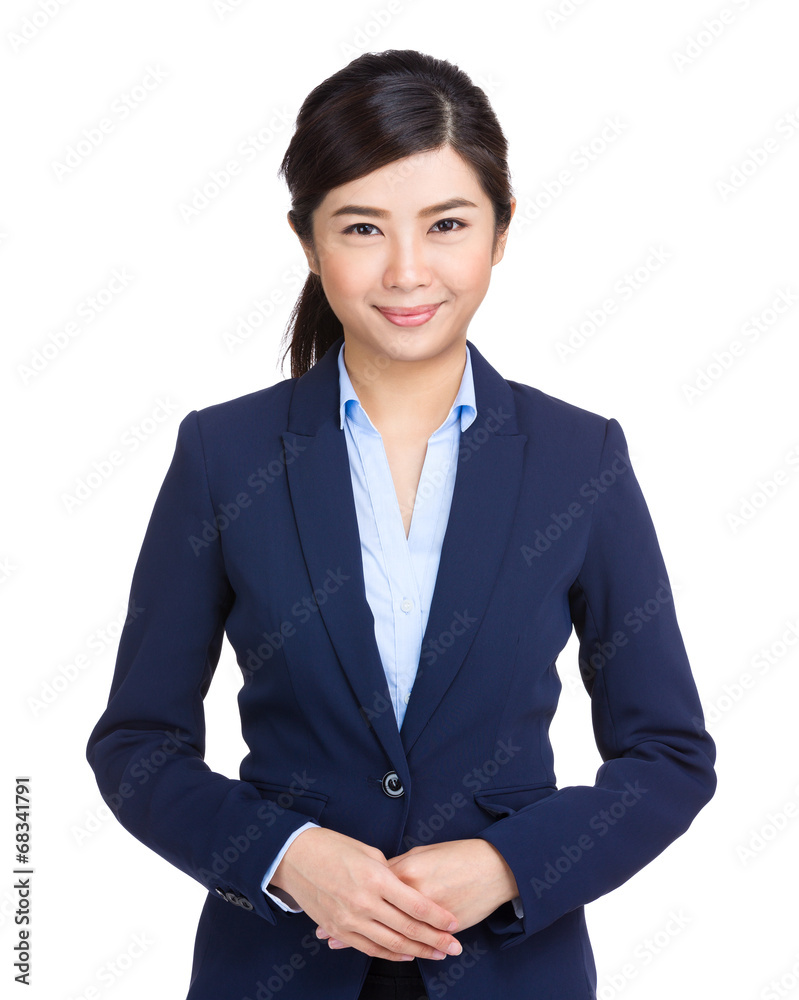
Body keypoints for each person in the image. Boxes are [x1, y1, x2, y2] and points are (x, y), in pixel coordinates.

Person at [85, 49, 717, 1000]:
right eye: (362, 227)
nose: (407, 269)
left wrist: (507, 865)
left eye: (447, 224)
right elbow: (136, 746)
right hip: (277, 968)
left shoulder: (579, 460)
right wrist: (286, 855)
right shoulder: (227, 456)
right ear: (307, 241)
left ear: (500, 233)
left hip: (509, 971)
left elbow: (670, 755)